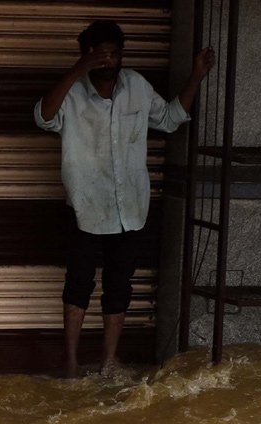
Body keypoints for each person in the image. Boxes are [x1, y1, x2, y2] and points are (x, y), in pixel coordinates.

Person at [36, 20, 214, 377]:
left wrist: (196, 76)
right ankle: (71, 363)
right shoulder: (71, 92)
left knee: (119, 285)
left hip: (129, 210)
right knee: (79, 284)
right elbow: (43, 117)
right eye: (99, 55)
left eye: (114, 54)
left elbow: (169, 118)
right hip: (85, 207)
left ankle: (108, 362)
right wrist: (76, 70)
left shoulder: (136, 85)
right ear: (85, 56)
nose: (108, 62)